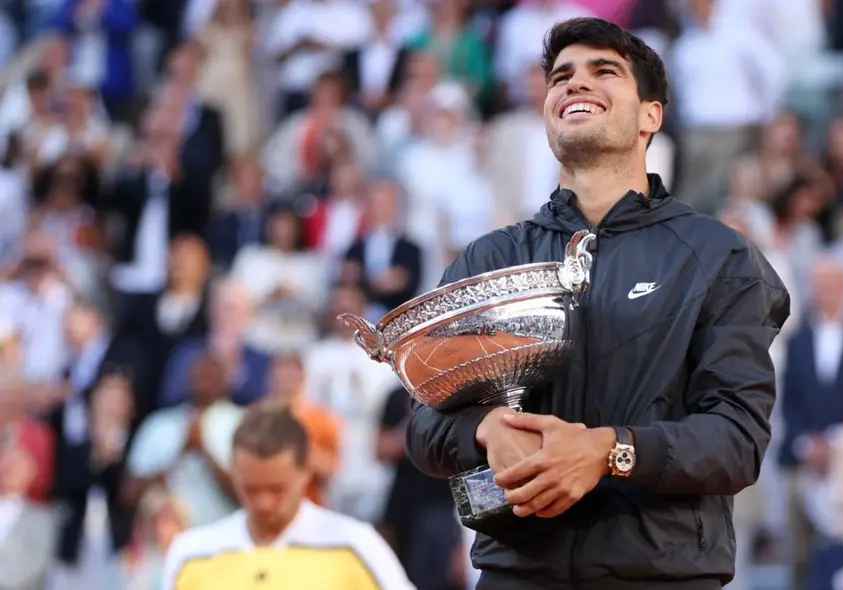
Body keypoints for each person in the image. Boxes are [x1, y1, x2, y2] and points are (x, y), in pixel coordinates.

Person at [405, 17, 790, 590]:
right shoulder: (490, 257)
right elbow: (425, 425)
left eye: (603, 71)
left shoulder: (718, 256)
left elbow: (736, 440)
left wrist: (611, 451)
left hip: (662, 576)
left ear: (651, 116)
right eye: (561, 77)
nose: (574, 84)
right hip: (517, 573)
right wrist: (486, 429)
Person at [160, 403, 414, 590]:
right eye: (251, 488)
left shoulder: (356, 545)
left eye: (277, 488)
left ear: (306, 471)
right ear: (234, 473)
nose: (264, 502)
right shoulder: (190, 553)